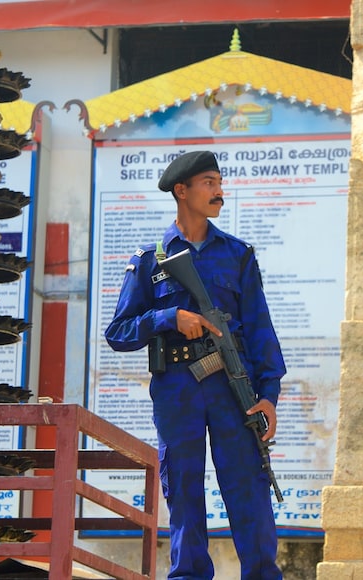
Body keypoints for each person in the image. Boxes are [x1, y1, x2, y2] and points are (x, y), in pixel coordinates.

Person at [105, 150, 286, 579]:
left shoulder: (238, 256)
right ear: (181, 191)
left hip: (231, 386)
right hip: (177, 389)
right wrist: (169, 317)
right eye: (209, 182)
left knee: (249, 487)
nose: (218, 191)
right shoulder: (150, 260)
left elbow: (261, 329)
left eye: (219, 182)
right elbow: (118, 332)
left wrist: (269, 395)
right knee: (184, 490)